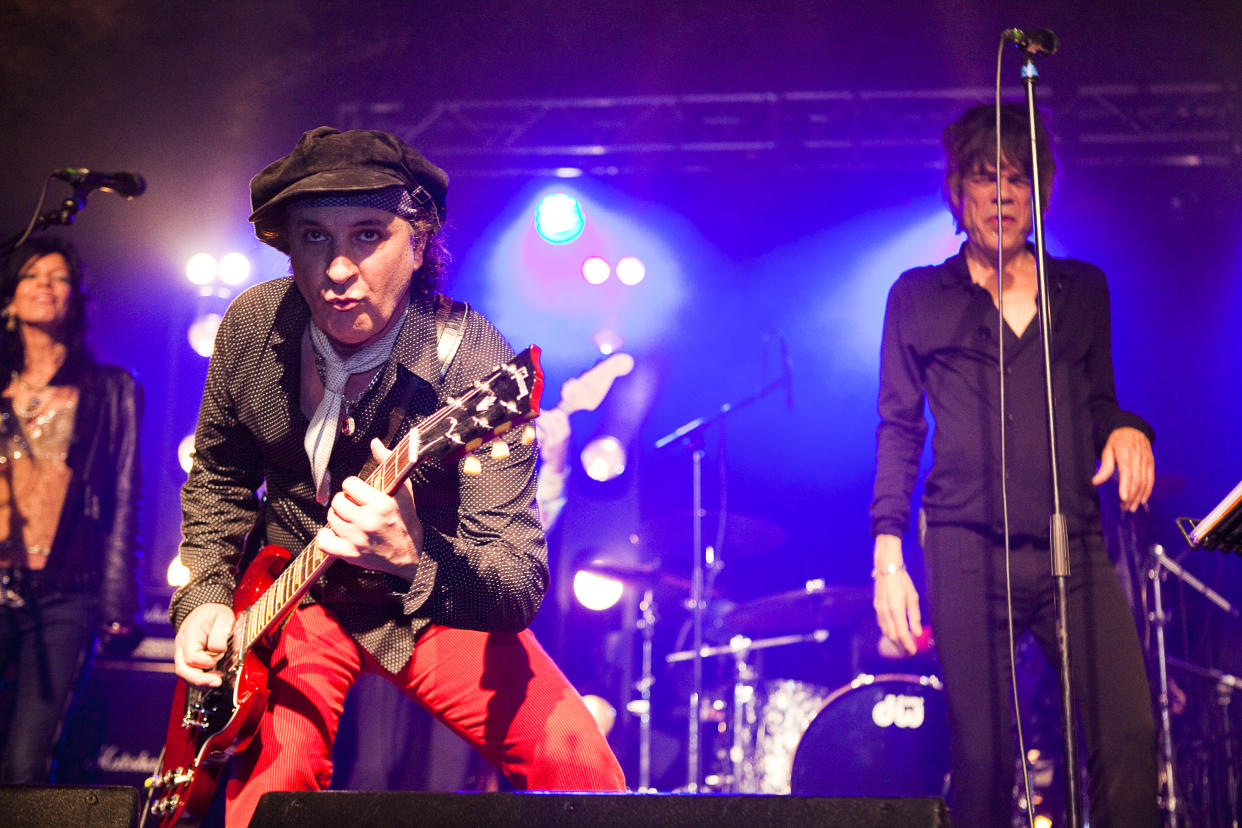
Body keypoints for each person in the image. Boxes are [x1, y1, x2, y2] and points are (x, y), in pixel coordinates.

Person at [169, 126, 625, 826]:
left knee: (581, 765)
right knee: (264, 802)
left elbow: (517, 584)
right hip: (295, 597)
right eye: (314, 237)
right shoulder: (252, 325)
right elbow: (221, 478)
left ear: (418, 244)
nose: (337, 268)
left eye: (368, 235)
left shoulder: (473, 363)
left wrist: (412, 559)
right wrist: (205, 594)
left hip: (427, 602)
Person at [869, 103, 1159, 827]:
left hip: (1075, 548)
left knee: (1129, 736)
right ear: (958, 194)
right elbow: (898, 429)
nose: (1002, 194)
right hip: (968, 552)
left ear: (1041, 192)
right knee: (984, 760)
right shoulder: (918, 297)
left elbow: (1102, 402)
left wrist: (1128, 432)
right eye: (984, 178)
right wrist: (888, 556)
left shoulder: (1081, 290)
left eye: (1018, 179)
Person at [0, 236, 142, 783]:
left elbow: (127, 496)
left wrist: (117, 598)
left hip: (65, 594)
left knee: (24, 763)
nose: (43, 285)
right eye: (30, 274)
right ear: (8, 299)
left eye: (58, 277)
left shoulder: (110, 390)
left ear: (76, 298)